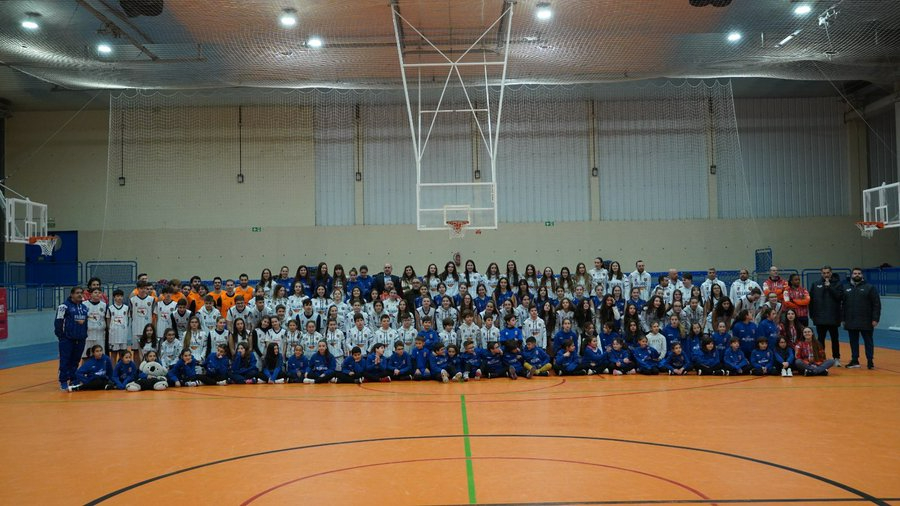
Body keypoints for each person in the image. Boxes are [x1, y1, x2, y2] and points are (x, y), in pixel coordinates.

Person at [842, 268, 881, 370]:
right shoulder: (845, 288)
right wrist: (843, 319)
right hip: (851, 320)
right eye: (855, 273)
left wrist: (875, 319)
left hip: (866, 320)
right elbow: (842, 305)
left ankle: (870, 361)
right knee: (853, 342)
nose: (857, 275)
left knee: (868, 341)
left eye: (859, 273)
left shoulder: (869, 288)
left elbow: (876, 304)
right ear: (851, 275)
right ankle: (855, 360)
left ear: (862, 275)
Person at [55, 286, 89, 391]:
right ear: (71, 294)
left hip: (80, 338)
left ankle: (73, 379)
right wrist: (62, 336)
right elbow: (58, 322)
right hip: (67, 339)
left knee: (75, 360)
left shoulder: (84, 307)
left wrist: (83, 334)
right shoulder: (63, 307)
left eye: (81, 293)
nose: (79, 295)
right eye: (77, 293)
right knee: (65, 360)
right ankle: (63, 381)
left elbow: (85, 323)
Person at [808, 265, 844, 366]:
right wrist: (812, 314)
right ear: (821, 274)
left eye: (828, 273)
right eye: (824, 273)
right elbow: (812, 301)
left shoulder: (837, 284)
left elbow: (839, 297)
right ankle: (821, 357)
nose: (826, 275)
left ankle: (836, 358)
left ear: (831, 273)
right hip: (820, 317)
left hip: (833, 316)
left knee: (835, 339)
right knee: (820, 339)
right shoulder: (815, 284)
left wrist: (830, 287)